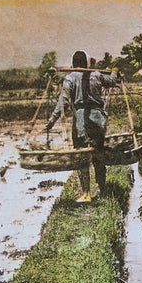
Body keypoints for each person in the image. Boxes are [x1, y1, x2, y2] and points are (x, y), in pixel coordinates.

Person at [45, 50, 120, 202]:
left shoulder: (70, 78)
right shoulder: (97, 75)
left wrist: (52, 120)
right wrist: (115, 72)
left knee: (81, 156)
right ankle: (103, 189)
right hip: (98, 119)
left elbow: (63, 101)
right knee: (98, 153)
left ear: (73, 65)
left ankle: (86, 193)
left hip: (81, 121)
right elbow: (112, 81)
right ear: (86, 64)